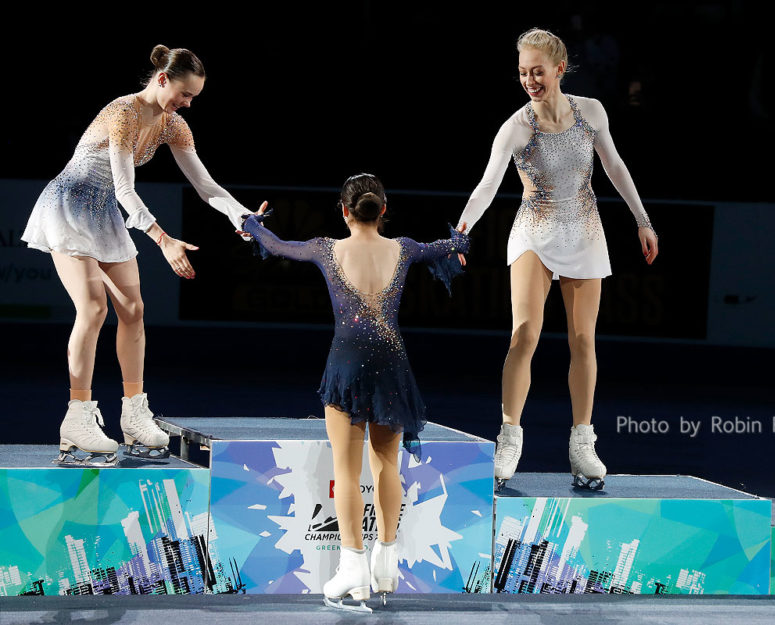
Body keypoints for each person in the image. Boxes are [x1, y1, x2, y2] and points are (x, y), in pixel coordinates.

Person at [241, 174, 469, 610]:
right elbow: (453, 246)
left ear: (344, 211)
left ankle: (354, 569)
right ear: (383, 210)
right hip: (393, 368)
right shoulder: (403, 248)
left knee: (347, 471)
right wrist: (460, 237)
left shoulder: (327, 248)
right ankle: (386, 562)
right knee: (387, 465)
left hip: (345, 367)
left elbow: (275, 245)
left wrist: (251, 223)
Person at [21, 45, 253, 467]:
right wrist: (163, 240)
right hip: (70, 205)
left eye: (193, 98)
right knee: (92, 309)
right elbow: (127, 189)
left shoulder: (173, 126)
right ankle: (76, 419)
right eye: (185, 94)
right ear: (162, 79)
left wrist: (242, 216)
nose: (187, 104)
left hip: (105, 210)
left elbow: (207, 186)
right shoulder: (124, 113)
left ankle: (133, 414)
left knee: (133, 310)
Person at [455, 28, 659, 490]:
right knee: (524, 334)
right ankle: (509, 437)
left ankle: (582, 442)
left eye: (538, 71)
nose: (530, 79)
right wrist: (461, 231)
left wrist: (642, 220)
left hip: (584, 231)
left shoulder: (592, 112)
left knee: (583, 341)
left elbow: (615, 166)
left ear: (559, 69)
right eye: (524, 72)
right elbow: (488, 184)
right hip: (534, 230)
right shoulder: (516, 127)